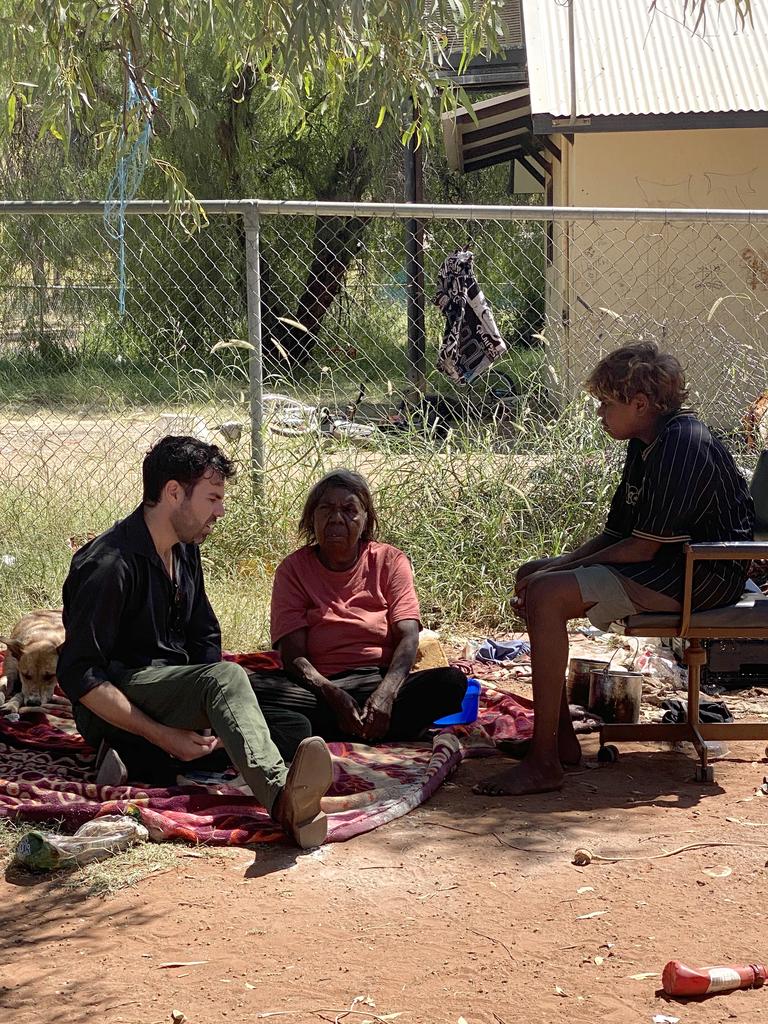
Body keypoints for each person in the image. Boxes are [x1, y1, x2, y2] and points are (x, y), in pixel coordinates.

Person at [475, 342, 754, 797]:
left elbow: (642, 548)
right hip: (668, 563)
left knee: (546, 594)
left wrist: (556, 578)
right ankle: (560, 741)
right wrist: (555, 565)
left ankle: (544, 762)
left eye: (608, 403)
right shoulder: (646, 442)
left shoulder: (682, 444)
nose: (601, 413)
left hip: (703, 575)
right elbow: (615, 535)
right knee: (535, 573)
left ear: (640, 404)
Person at [57, 435, 333, 849]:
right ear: (173, 493)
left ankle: (139, 757)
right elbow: (80, 675)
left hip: (173, 689)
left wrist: (203, 719)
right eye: (213, 497)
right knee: (226, 680)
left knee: (293, 726)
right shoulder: (108, 565)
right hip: (115, 698)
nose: (220, 511)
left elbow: (204, 634)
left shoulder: (185, 551)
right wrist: (163, 732)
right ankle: (281, 797)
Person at [249, 469, 467, 744]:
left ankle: (338, 728)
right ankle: (369, 727)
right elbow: (293, 657)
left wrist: (386, 694)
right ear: (311, 518)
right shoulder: (293, 570)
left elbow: (408, 636)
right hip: (320, 687)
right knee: (245, 688)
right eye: (326, 508)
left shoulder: (389, 560)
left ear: (365, 520)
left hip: (377, 680)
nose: (336, 518)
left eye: (349, 509)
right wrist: (334, 695)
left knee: (450, 683)